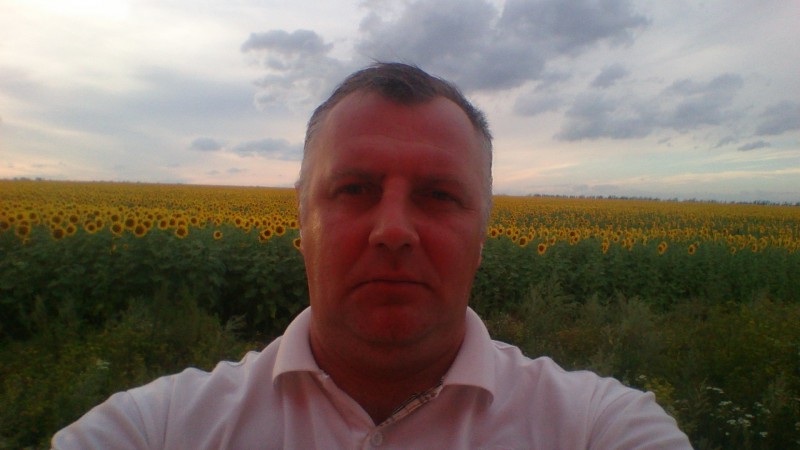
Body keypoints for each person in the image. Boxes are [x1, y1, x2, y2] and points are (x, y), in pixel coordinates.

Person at [52, 62, 692, 449]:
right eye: (354, 189)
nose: (393, 231)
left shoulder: (595, 429)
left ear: (483, 232)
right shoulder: (158, 429)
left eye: (438, 195)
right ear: (301, 219)